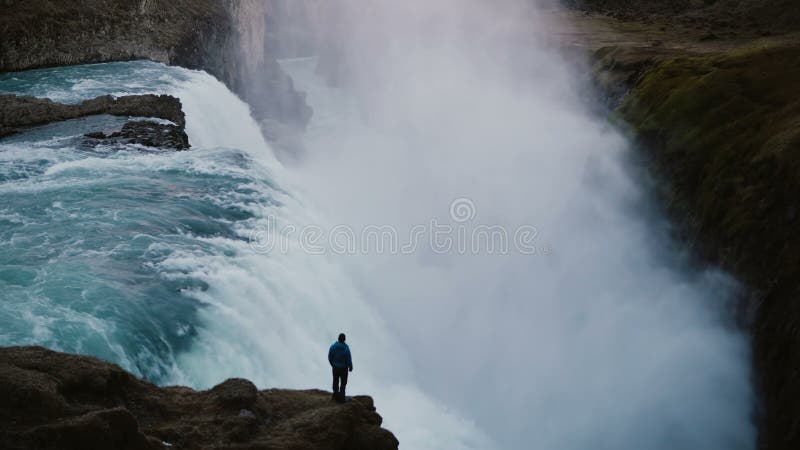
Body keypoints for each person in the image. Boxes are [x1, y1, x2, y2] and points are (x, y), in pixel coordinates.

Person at [328, 333, 353, 403]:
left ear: (338, 338)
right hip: (344, 369)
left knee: (335, 381)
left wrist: (332, 364)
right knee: (343, 383)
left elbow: (330, 357)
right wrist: (350, 367)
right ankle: (342, 399)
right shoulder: (346, 349)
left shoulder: (333, 347)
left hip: (335, 367)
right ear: (344, 339)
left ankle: (335, 396)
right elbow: (349, 359)